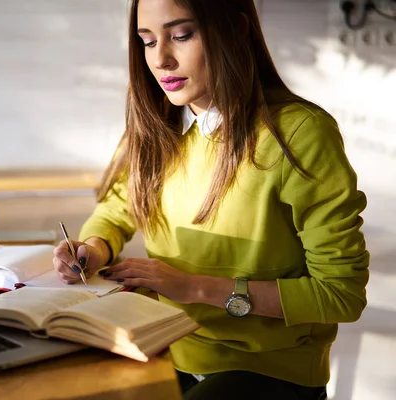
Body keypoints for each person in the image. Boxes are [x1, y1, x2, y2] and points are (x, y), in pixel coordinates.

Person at [52, 0, 369, 399]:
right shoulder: (157, 125)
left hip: (271, 371)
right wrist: (94, 247)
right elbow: (119, 205)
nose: (161, 59)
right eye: (147, 41)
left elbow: (341, 294)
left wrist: (195, 288)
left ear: (236, 30)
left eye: (181, 35)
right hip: (166, 348)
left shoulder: (300, 135)